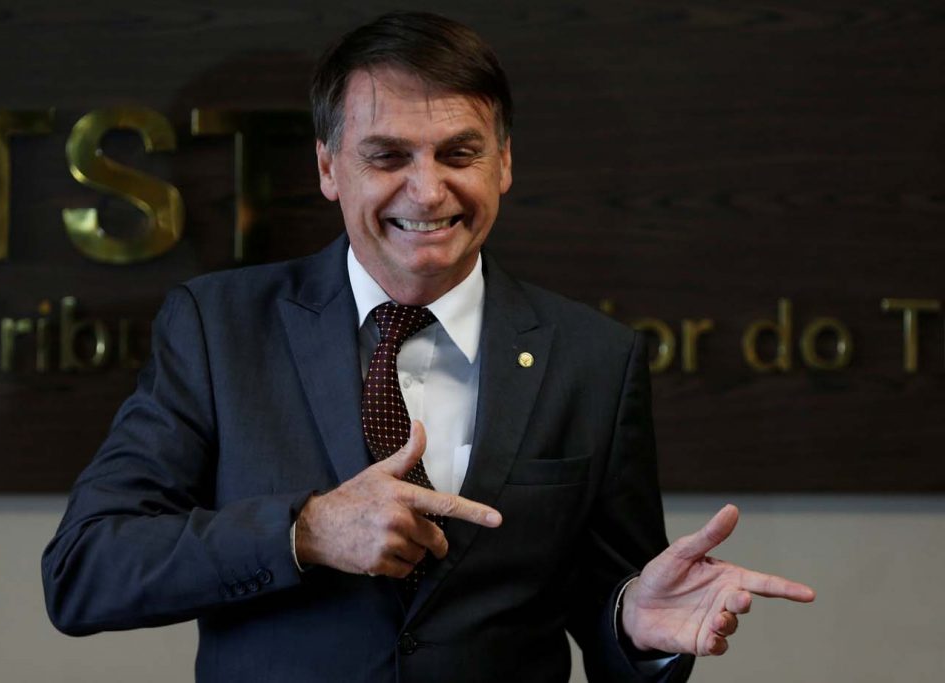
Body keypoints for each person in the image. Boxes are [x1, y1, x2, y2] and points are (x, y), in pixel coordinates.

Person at [42, 12, 814, 682]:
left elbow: (605, 599)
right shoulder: (219, 327)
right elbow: (84, 570)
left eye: (458, 153)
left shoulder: (594, 357)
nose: (428, 190)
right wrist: (303, 530)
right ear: (327, 168)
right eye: (387, 157)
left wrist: (630, 622)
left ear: (504, 162)